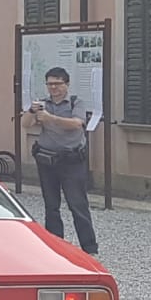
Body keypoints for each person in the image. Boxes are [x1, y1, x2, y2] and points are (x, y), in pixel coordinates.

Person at [24, 67, 99, 255]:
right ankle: (55, 246)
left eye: (57, 84)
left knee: (78, 205)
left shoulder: (76, 103)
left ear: (67, 84)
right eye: (50, 84)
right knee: (51, 205)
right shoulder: (43, 104)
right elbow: (25, 125)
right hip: (47, 160)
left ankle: (89, 248)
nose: (53, 88)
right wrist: (31, 112)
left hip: (72, 161)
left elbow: (76, 124)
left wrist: (51, 118)